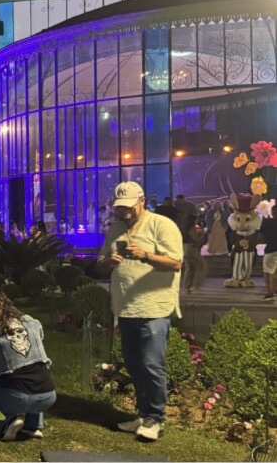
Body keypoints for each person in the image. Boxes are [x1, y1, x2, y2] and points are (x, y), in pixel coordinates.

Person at [96, 181, 182, 442]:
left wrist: (145, 255)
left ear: (142, 201)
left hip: (154, 307)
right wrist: (110, 261)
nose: (124, 212)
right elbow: (100, 265)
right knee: (134, 364)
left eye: (129, 207)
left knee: (152, 365)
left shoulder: (162, 225)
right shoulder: (115, 229)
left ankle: (156, 418)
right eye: (120, 208)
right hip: (125, 307)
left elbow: (175, 263)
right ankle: (143, 415)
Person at [0, 287, 56, 442]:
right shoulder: (31, 321)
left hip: (16, 398)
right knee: (32, 370)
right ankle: (33, 426)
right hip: (48, 395)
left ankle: (6, 422)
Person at [183, 223, 207, 294]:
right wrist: (202, 234)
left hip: (185, 247)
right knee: (202, 265)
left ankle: (187, 287)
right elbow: (195, 239)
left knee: (190, 268)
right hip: (191, 248)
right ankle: (195, 286)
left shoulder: (184, 226)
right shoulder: (191, 228)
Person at [259, 213, 277, 301]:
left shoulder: (268, 222)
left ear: (273, 212)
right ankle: (275, 289)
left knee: (268, 272)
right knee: (275, 271)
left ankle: (270, 292)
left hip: (271, 249)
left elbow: (260, 237)